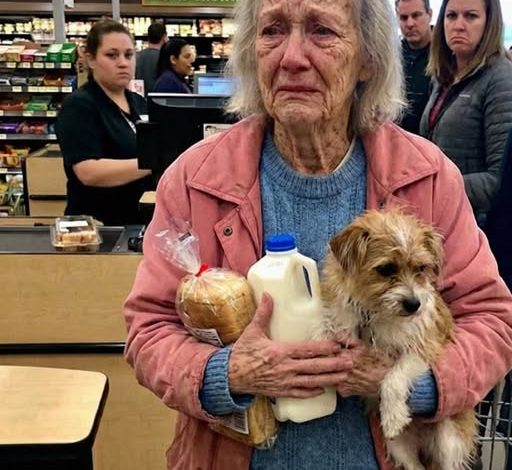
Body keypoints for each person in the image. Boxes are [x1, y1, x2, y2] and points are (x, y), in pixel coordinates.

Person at [123, 0, 512, 468]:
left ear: (368, 58)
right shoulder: (195, 179)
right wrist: (227, 373)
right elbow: (148, 330)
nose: (291, 57)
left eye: (321, 31)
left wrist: (411, 384)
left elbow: (492, 319)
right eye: (272, 31)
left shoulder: (427, 178)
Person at [419, 0, 512, 227]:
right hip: (438, 218)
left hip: (474, 225)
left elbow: (500, 179)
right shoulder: (443, 77)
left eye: (471, 16)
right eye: (451, 16)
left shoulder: (501, 79)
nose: (459, 26)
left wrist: (437, 186)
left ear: (490, 23)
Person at [55, 19, 152, 226]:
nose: (123, 63)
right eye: (111, 55)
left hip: (136, 222)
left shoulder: (139, 102)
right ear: (91, 59)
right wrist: (154, 163)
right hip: (97, 228)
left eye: (129, 55)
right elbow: (89, 172)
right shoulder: (79, 105)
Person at [396, 0, 433, 134]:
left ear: (429, 15)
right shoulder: (392, 56)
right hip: (397, 138)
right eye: (404, 18)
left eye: (416, 15)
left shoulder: (446, 55)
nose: (410, 24)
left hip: (431, 140)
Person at [135, 21, 167, 96]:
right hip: (159, 99)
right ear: (164, 37)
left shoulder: (136, 57)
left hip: (139, 98)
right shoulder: (165, 58)